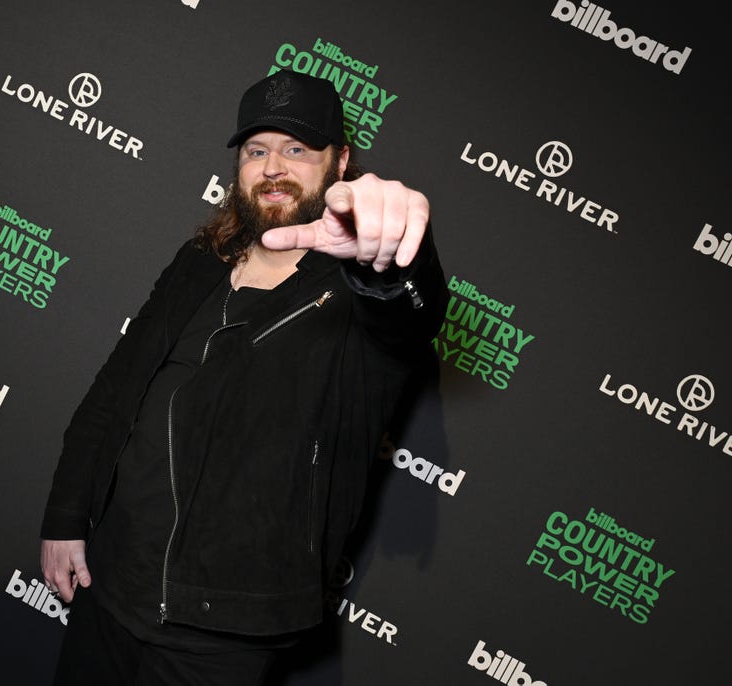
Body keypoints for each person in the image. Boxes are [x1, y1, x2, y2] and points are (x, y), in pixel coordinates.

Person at [40, 70, 446, 685]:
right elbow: (113, 391)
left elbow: (408, 315)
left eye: (297, 150)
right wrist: (67, 517)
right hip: (113, 580)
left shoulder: (358, 295)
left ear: (340, 164)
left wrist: (388, 257)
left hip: (224, 630)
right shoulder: (199, 262)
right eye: (257, 150)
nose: (273, 166)